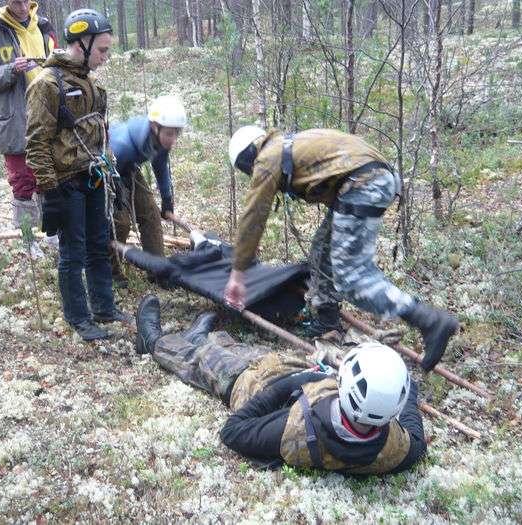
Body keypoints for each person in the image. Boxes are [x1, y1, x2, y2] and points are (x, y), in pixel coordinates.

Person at [223, 127, 459, 372]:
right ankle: (327, 320)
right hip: (367, 181)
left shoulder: (268, 157)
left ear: (248, 156)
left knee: (351, 277)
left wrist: (238, 272)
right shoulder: (286, 144)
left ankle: (428, 320)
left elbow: (254, 216)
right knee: (322, 249)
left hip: (362, 184)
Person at [135, 294, 426, 474]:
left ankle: (151, 340)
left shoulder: (295, 428)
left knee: (199, 360)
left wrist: (293, 384)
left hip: (250, 384)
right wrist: (406, 389)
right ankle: (202, 337)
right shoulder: (396, 449)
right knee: (236, 347)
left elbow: (232, 432)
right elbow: (414, 432)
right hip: (284, 367)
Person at [25, 8, 131, 341]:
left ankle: (104, 307)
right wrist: (49, 191)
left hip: (94, 176)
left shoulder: (94, 85)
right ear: (81, 43)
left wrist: (112, 173)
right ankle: (78, 318)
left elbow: (102, 132)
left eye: (107, 49)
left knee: (99, 245)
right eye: (101, 49)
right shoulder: (47, 84)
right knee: (73, 253)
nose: (105, 57)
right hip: (65, 182)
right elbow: (36, 142)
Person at [0, 0, 58, 257]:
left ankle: (52, 232)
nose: (22, 7)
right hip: (14, 119)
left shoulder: (43, 26)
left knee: (48, 177)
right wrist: (12, 69)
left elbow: (57, 64)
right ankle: (28, 239)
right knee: (23, 181)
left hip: (46, 114)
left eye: (25, 1)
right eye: (16, 2)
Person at [108, 96, 188, 284]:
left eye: (177, 133)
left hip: (128, 168)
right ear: (154, 126)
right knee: (120, 222)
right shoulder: (123, 145)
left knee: (151, 214)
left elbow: (160, 167)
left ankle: (159, 270)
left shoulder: (160, 141)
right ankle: (112, 273)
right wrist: (119, 194)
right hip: (109, 171)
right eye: (169, 134)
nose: (173, 139)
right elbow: (107, 170)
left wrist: (167, 199)